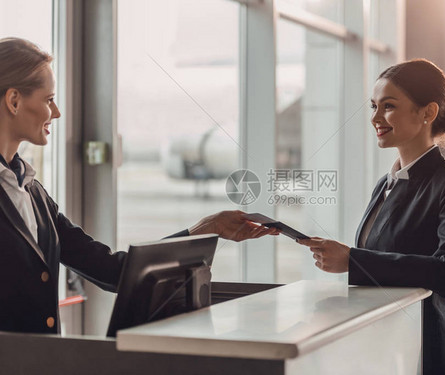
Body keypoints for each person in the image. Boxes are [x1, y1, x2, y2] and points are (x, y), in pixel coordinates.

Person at [0, 37, 278, 334]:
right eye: (48, 99)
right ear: (14, 101)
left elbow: (114, 271)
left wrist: (206, 229)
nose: (55, 113)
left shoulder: (33, 193)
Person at [298, 59, 445, 374]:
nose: (375, 118)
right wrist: (344, 256)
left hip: (423, 352)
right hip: (381, 349)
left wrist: (353, 260)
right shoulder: (386, 184)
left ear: (427, 112)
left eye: (389, 106)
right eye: (374, 106)